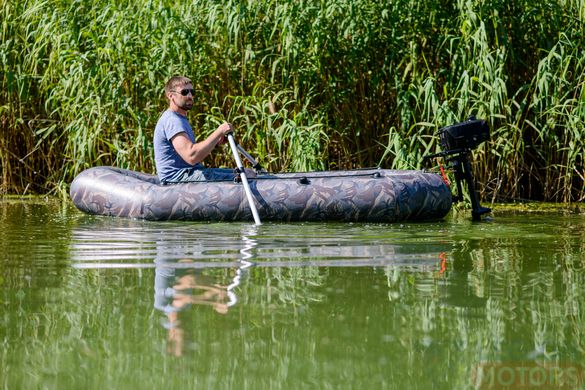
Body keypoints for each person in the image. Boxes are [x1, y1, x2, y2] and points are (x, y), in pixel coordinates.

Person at [154, 75, 238, 184]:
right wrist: (219, 131)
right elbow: (191, 156)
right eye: (184, 92)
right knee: (241, 177)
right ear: (171, 96)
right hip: (176, 179)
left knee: (245, 173)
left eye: (192, 92)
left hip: (189, 173)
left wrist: (215, 143)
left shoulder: (179, 118)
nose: (189, 96)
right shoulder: (172, 120)